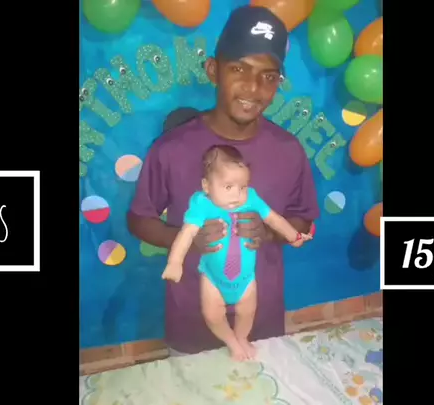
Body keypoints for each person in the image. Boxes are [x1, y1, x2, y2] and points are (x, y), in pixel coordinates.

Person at [127, 5, 320, 357]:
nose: (253, 87)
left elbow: (302, 218)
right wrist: (187, 239)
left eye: (268, 76)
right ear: (213, 70)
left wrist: (269, 232)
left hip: (262, 328)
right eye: (239, 69)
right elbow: (139, 219)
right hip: (190, 327)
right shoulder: (172, 148)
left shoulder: (289, 150)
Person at [161, 145, 312, 361]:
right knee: (212, 315)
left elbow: (274, 219)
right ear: (206, 185)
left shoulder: (251, 199)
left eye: (243, 186)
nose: (237, 195)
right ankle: (231, 340)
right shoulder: (201, 205)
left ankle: (241, 337)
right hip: (212, 279)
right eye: (228, 186)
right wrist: (175, 262)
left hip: (246, 278)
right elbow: (186, 234)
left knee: (247, 312)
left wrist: (293, 237)